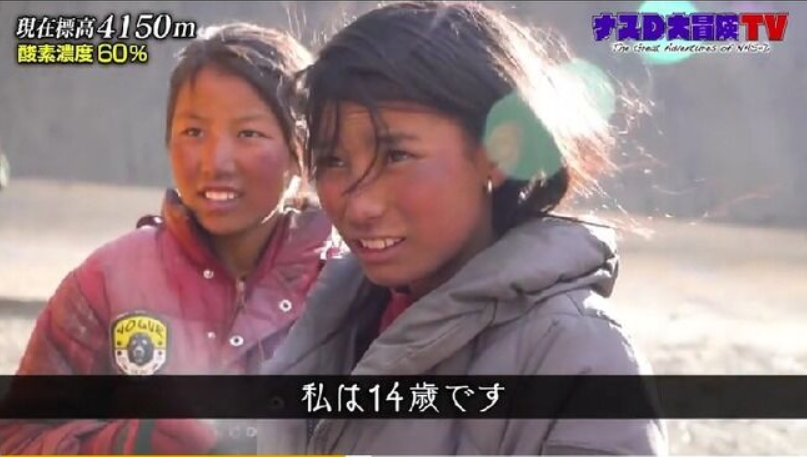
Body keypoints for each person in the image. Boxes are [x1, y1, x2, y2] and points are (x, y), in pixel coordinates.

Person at [258, 1, 667, 455]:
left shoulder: (579, 356)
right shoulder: (328, 323)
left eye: (397, 156)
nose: (360, 205)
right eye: (333, 161)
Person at [0, 23, 339, 455]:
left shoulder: (347, 288)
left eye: (248, 134)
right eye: (194, 132)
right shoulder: (107, 281)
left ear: (301, 151)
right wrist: (133, 443)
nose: (215, 162)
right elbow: (17, 439)